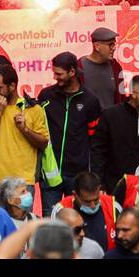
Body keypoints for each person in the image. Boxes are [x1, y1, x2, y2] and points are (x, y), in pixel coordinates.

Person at [37, 51, 104, 211]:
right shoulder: (46, 96)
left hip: (76, 174)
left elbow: (95, 141)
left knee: (74, 219)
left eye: (59, 74)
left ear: (72, 72)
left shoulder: (90, 100)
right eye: (54, 73)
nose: (55, 77)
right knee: (50, 221)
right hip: (49, 172)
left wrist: (93, 174)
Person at [0, 64, 49, 192]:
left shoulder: (33, 108)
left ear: (12, 86)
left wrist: (25, 129)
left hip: (23, 181)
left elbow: (44, 143)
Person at [93, 74, 139, 192]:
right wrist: (99, 184)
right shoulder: (111, 115)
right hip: (112, 186)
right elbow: (98, 152)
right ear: (133, 93)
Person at [52, 170, 120, 252]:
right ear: (75, 195)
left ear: (99, 190)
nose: (93, 206)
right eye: (87, 201)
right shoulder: (61, 210)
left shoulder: (113, 207)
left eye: (96, 200)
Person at [78, 26, 124, 109]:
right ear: (97, 46)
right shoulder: (79, 66)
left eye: (114, 44)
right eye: (110, 44)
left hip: (112, 120)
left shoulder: (116, 67)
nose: (113, 48)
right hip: (88, 121)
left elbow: (122, 97)